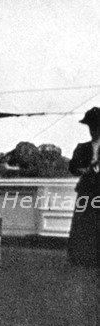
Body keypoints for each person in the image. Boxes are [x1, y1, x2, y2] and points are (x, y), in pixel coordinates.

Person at [68, 107, 100, 267]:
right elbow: (73, 167)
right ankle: (82, 257)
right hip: (86, 191)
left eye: (96, 126)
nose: (93, 130)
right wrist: (87, 169)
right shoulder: (82, 148)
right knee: (82, 223)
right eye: (91, 127)